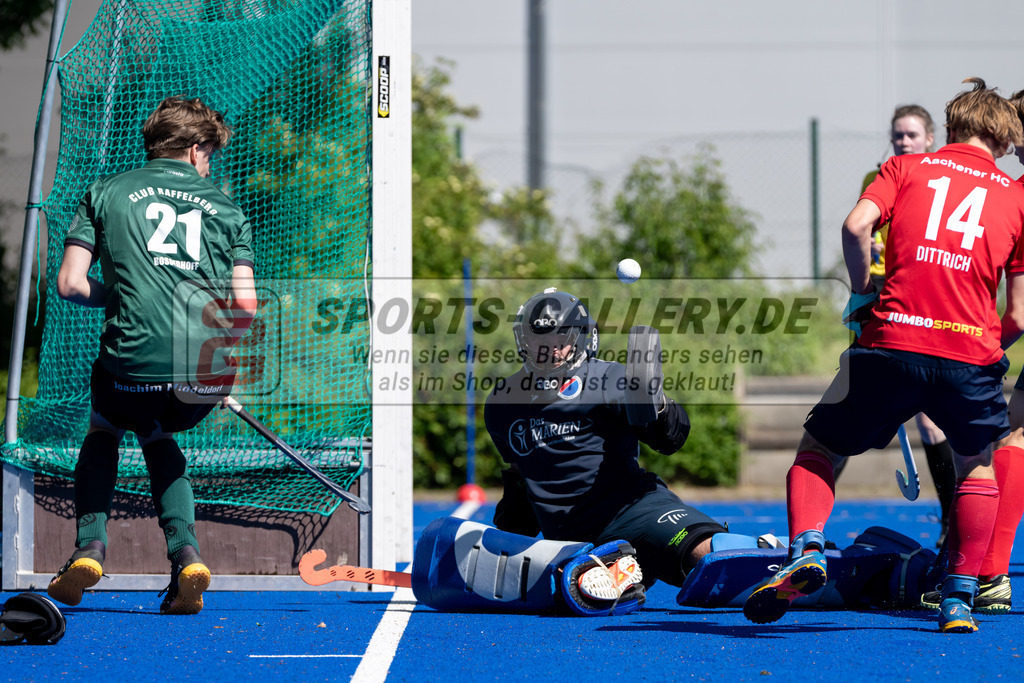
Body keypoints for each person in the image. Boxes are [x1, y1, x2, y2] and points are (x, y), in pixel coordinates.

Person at [741, 78, 1024, 633]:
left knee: (818, 447)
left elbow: (856, 227)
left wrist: (863, 293)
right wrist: (982, 347)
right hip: (968, 352)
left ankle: (808, 548)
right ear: (1004, 140)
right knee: (978, 465)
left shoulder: (903, 169)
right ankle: (961, 597)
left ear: (950, 128)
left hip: (889, 340)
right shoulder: (1016, 197)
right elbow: (1018, 314)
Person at [48, 96, 258, 615]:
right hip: (205, 373)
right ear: (193, 149)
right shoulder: (227, 209)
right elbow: (246, 306)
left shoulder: (105, 192)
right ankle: (186, 556)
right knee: (159, 430)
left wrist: (115, 297)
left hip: (132, 366)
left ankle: (90, 548)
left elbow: (71, 285)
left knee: (106, 425)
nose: (210, 165)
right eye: (209, 154)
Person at [483, 288, 727, 594]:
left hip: (633, 510)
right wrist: (504, 547)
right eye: (538, 341)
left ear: (580, 339)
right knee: (574, 592)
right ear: (524, 341)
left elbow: (668, 441)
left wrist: (658, 405)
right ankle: (621, 570)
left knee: (710, 559)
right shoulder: (502, 404)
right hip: (570, 540)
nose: (549, 350)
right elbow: (521, 480)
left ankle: (776, 566)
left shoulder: (609, 379)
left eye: (559, 339)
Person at [834, 105, 958, 548]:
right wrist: (864, 289)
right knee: (846, 406)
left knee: (930, 419)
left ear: (929, 139)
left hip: (919, 302)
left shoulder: (942, 181)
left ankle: (950, 519)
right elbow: (862, 231)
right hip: (880, 297)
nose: (903, 143)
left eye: (911, 135)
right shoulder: (880, 177)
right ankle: (814, 519)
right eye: (897, 136)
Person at [920, 87, 1024, 615]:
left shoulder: (1017, 194)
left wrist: (972, 351)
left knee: (1011, 436)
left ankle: (987, 572)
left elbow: (1019, 314)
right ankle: (987, 573)